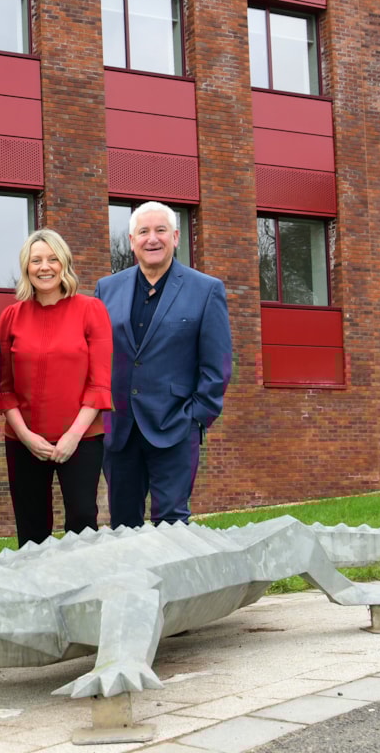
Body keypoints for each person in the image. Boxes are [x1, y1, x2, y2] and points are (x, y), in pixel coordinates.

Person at [94, 201, 232, 528]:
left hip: (175, 425)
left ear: (176, 237)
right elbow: (97, 357)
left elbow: (218, 366)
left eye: (160, 231)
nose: (152, 239)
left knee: (172, 524)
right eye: (143, 232)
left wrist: (196, 418)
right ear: (131, 240)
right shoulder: (107, 289)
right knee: (122, 525)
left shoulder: (206, 290)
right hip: (120, 430)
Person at [0, 229, 112, 546]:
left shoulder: (91, 310)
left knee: (82, 520)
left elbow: (99, 383)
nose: (44, 267)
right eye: (36, 260)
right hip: (24, 440)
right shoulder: (10, 316)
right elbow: (4, 387)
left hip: (82, 438)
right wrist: (26, 436)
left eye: (52, 259)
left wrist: (73, 436)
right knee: (31, 528)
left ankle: (83, 592)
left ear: (64, 264)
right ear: (26, 267)